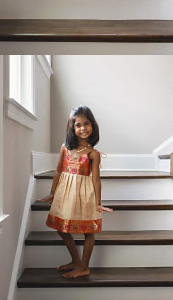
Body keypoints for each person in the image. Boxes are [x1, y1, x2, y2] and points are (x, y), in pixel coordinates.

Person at [38, 105, 113, 279]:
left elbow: (96, 179)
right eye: (78, 125)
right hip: (65, 193)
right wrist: (52, 193)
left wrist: (98, 203)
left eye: (86, 123)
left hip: (85, 194)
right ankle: (75, 260)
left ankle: (84, 267)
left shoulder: (93, 154)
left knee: (89, 232)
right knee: (61, 228)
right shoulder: (65, 147)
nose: (83, 128)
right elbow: (58, 171)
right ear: (72, 128)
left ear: (92, 125)